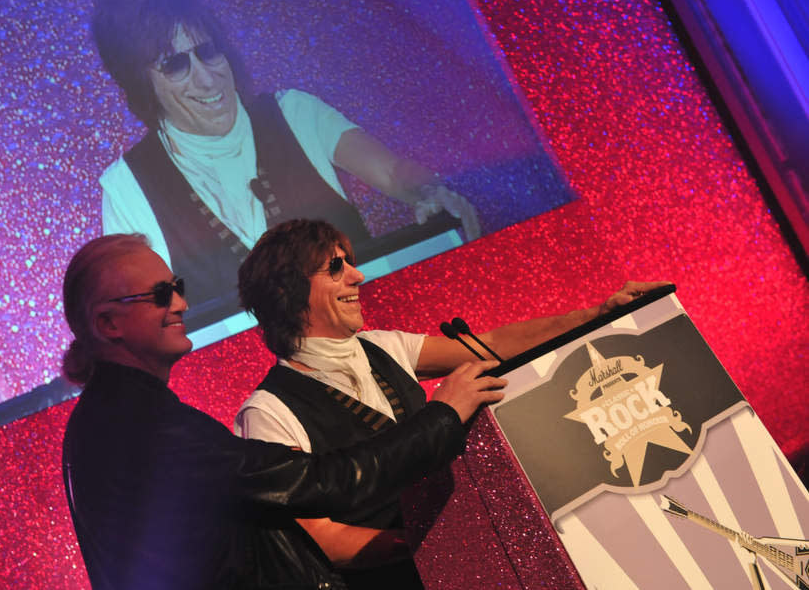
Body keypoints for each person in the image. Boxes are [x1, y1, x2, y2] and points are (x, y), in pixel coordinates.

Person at [235, 219, 666, 589]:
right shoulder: (268, 412)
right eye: (335, 267)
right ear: (287, 291)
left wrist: (596, 314)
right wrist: (443, 543)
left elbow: (491, 347)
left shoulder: (383, 346)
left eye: (349, 261)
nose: (357, 275)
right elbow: (320, 538)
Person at [60, 233, 504, 590]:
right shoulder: (141, 425)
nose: (181, 304)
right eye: (160, 295)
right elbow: (315, 485)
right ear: (108, 324)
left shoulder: (122, 415)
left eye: (177, 288)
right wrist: (443, 415)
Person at [91, 0, 480, 327]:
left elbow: (395, 173)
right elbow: (145, 317)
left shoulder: (295, 113)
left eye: (208, 52)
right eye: (175, 65)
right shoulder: (127, 189)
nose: (207, 79)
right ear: (141, 83)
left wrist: (433, 192)